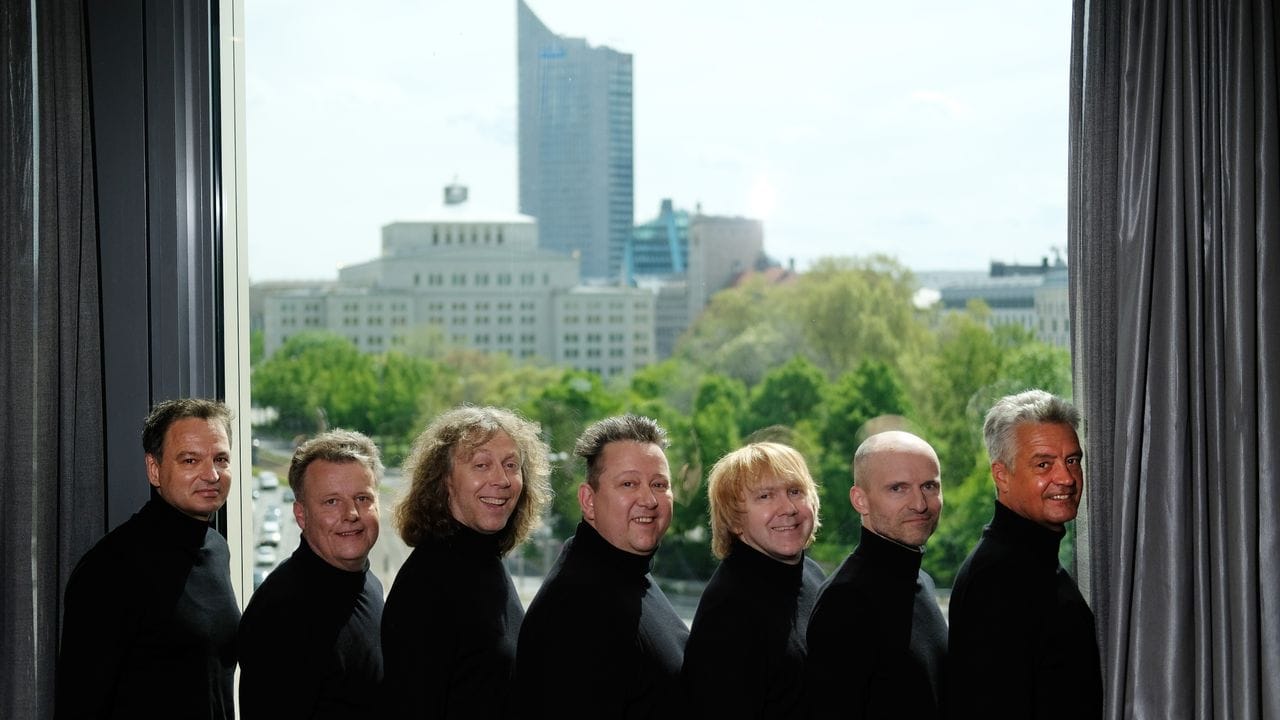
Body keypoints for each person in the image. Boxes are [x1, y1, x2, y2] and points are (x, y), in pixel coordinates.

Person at [55, 398, 239, 719]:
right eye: (190, 460)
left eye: (221, 459)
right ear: (154, 470)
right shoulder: (109, 569)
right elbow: (79, 705)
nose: (211, 474)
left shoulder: (216, 548)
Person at [380, 405, 551, 718]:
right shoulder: (426, 586)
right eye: (481, 464)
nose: (501, 479)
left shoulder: (487, 561)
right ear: (445, 480)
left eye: (511, 465)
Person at [516, 414, 689, 718]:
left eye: (659, 484)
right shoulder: (577, 608)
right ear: (588, 500)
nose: (648, 499)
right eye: (628, 484)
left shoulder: (626, 572)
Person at [946, 389, 1103, 719]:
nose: (1066, 478)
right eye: (1043, 464)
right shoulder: (996, 580)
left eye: (1072, 460)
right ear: (1001, 475)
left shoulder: (1035, 563)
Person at [238, 429, 386, 718]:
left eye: (362, 498)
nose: (351, 514)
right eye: (332, 502)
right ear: (301, 515)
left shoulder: (368, 584)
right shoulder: (281, 616)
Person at [805, 430, 949, 719]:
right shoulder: (845, 601)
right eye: (898, 488)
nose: (920, 504)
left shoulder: (922, 581)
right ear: (860, 500)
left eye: (929, 486)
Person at [681, 442, 825, 718]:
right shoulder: (728, 610)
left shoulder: (812, 575)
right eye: (765, 496)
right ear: (734, 519)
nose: (788, 507)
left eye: (795, 491)